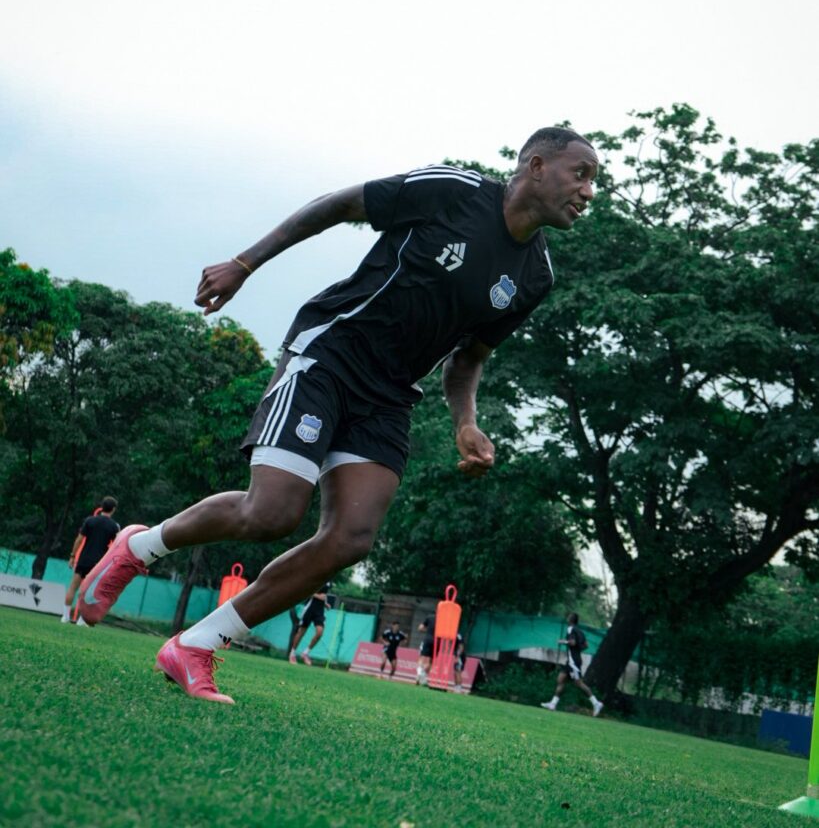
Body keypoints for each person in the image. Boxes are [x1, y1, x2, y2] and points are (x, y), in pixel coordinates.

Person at [78, 128, 598, 704]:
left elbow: (468, 358)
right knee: (272, 513)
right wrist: (244, 263)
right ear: (536, 165)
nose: (588, 191)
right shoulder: (454, 191)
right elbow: (336, 206)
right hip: (330, 354)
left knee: (351, 538)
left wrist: (465, 423)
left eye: (594, 182)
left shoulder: (536, 276)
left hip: (390, 396)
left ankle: (195, 645)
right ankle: (141, 547)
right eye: (581, 174)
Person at [62, 497, 119, 625]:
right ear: (113, 509)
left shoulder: (90, 520)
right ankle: (82, 620)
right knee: (90, 593)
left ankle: (65, 617)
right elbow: (116, 547)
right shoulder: (113, 526)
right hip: (98, 564)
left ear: (102, 507)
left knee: (73, 588)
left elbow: (79, 539)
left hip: (84, 559)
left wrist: (72, 555)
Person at [540, 612, 604, 717]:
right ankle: (553, 704)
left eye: (568, 617)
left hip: (573, 661)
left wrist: (563, 642)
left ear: (570, 620)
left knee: (579, 683)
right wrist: (576, 650)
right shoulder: (580, 631)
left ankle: (596, 703)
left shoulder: (571, 629)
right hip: (571, 660)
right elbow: (586, 645)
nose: (567, 618)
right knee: (561, 679)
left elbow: (573, 642)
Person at [288, 583, 332, 665]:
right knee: (301, 632)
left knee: (319, 632)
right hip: (309, 608)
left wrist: (325, 603)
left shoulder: (329, 581)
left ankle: (305, 653)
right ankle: (292, 654)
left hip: (320, 611)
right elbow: (306, 591)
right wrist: (318, 596)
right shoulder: (316, 578)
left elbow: (324, 594)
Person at [416, 615, 435, 685]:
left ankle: (419, 673)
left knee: (422, 657)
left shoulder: (430, 617)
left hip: (427, 639)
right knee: (431, 661)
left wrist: (428, 630)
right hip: (436, 641)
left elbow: (420, 628)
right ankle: (423, 676)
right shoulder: (444, 620)